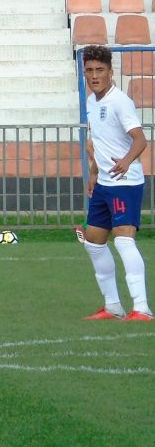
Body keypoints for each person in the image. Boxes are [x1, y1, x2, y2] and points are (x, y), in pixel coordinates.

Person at [75, 46, 153, 322]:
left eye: (100, 70)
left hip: (125, 183)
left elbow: (140, 139)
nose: (94, 75)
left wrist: (127, 161)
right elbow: (99, 142)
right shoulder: (91, 102)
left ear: (111, 72)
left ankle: (142, 308)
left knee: (123, 240)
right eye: (89, 71)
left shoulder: (120, 102)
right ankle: (113, 306)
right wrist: (94, 172)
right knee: (94, 243)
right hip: (104, 184)